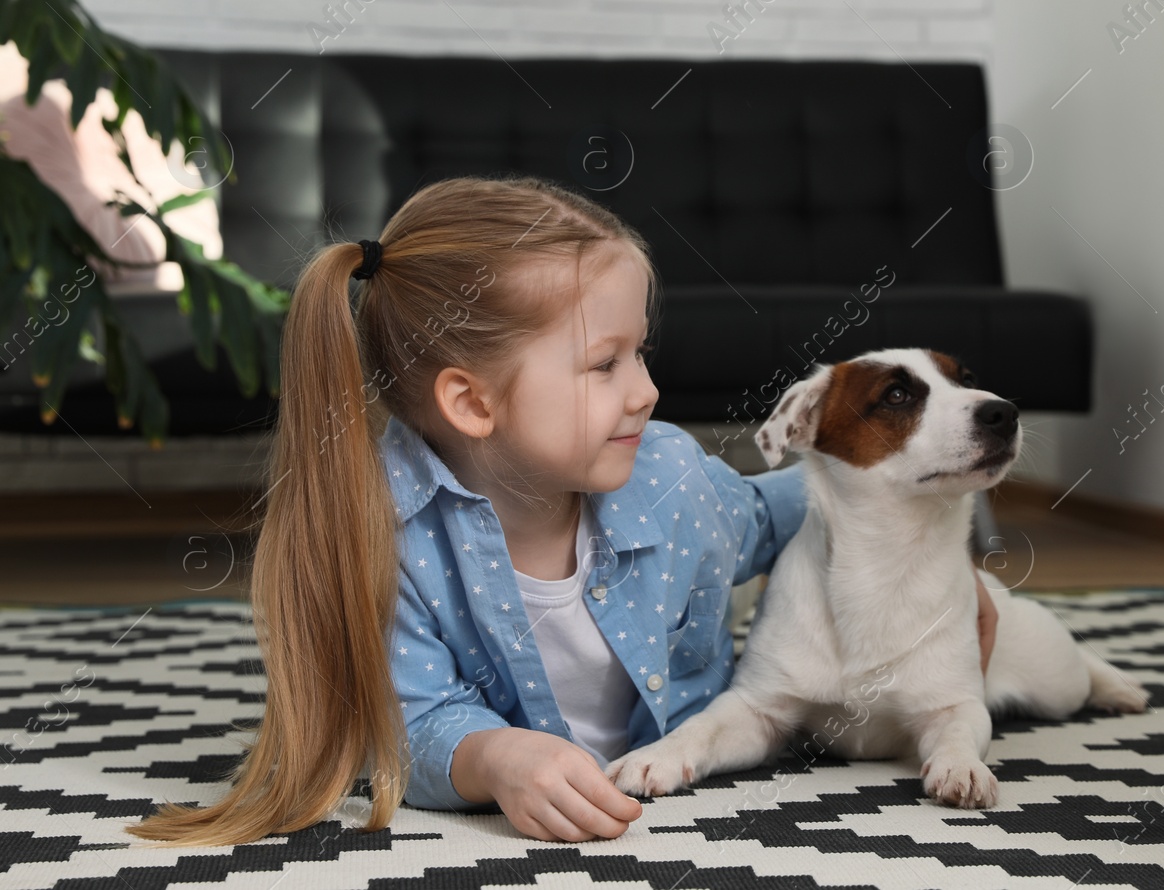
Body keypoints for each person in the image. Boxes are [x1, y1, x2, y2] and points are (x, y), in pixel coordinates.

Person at [127, 176, 998, 847]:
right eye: (605, 364)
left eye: (642, 355)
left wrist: (935, 559)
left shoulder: (671, 482)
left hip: (664, 767)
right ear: (473, 404)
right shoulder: (384, 533)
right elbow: (411, 722)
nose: (648, 391)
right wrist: (497, 759)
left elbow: (790, 512)